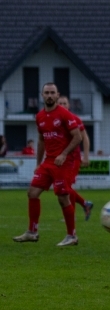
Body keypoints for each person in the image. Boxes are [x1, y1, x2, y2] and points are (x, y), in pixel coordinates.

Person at [13, 83, 82, 246]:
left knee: (63, 198)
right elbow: (41, 140)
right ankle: (32, 232)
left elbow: (77, 136)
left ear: (58, 96)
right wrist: (38, 163)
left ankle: (72, 236)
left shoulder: (64, 114)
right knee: (32, 193)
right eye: (47, 93)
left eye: (52, 93)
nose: (49, 95)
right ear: (42, 95)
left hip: (63, 162)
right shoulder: (39, 117)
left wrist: (64, 154)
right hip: (48, 162)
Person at [58, 96, 94, 221]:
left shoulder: (75, 119)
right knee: (63, 187)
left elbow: (85, 138)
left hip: (73, 159)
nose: (62, 105)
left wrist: (86, 156)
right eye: (60, 103)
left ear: (68, 105)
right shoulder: (54, 121)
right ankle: (85, 204)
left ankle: (71, 214)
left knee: (65, 187)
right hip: (60, 160)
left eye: (64, 103)